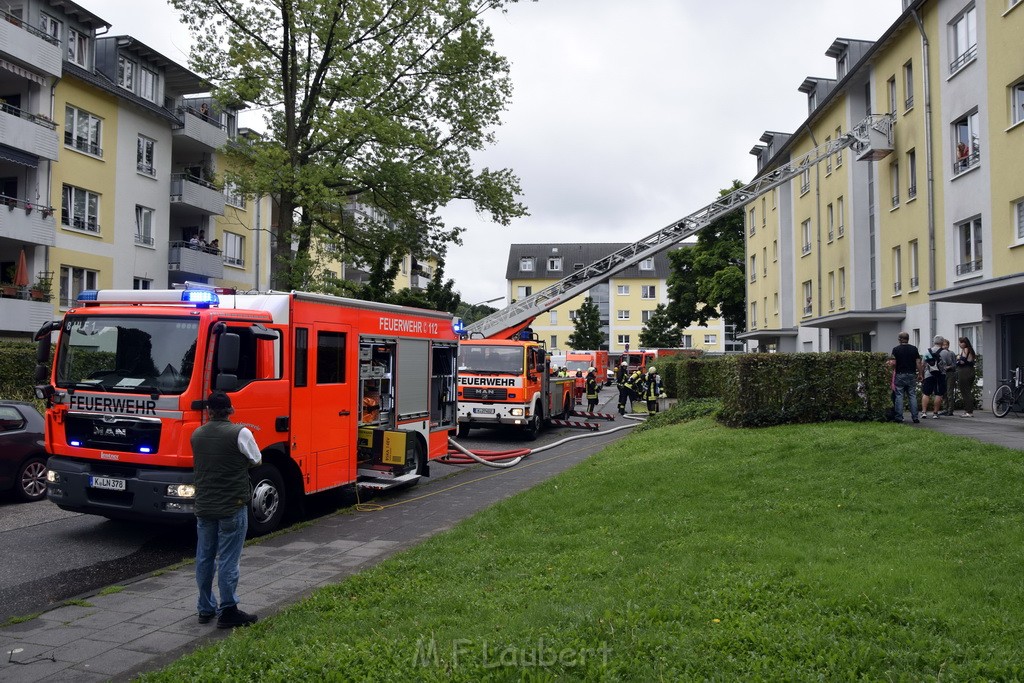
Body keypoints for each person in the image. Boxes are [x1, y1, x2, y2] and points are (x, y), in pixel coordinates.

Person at [191, 391, 261, 629]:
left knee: (204, 557)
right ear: (230, 410)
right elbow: (256, 459)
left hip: (204, 505)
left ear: (208, 410)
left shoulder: (197, 434)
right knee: (229, 559)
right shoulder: (241, 433)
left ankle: (204, 608)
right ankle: (228, 609)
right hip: (232, 505)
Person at [890, 331, 923, 423]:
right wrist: (920, 374)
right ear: (908, 339)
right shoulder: (914, 349)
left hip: (900, 374)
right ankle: (915, 417)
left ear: (900, 339)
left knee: (899, 396)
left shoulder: (896, 349)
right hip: (911, 374)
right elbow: (918, 362)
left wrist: (893, 370)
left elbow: (893, 363)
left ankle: (899, 417)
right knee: (912, 395)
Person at [921, 335, 950, 419]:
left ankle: (924, 412)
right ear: (942, 342)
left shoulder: (927, 351)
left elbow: (923, 364)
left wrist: (922, 375)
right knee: (939, 394)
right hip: (940, 375)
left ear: (934, 341)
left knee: (926, 393)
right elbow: (949, 363)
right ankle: (935, 413)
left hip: (928, 374)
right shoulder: (945, 352)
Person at [955, 336, 977, 417]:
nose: (960, 344)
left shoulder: (965, 350)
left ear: (965, 343)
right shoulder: (971, 350)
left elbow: (962, 362)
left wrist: (957, 359)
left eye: (961, 342)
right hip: (970, 371)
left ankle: (969, 411)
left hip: (964, 371)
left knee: (965, 392)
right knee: (968, 391)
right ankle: (968, 410)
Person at [941, 337, 957, 415]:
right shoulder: (941, 353)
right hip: (943, 374)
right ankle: (945, 409)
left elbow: (954, 364)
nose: (945, 346)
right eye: (943, 345)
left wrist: (949, 367)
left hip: (950, 373)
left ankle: (950, 410)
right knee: (944, 392)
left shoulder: (951, 353)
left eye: (946, 345)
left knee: (949, 392)